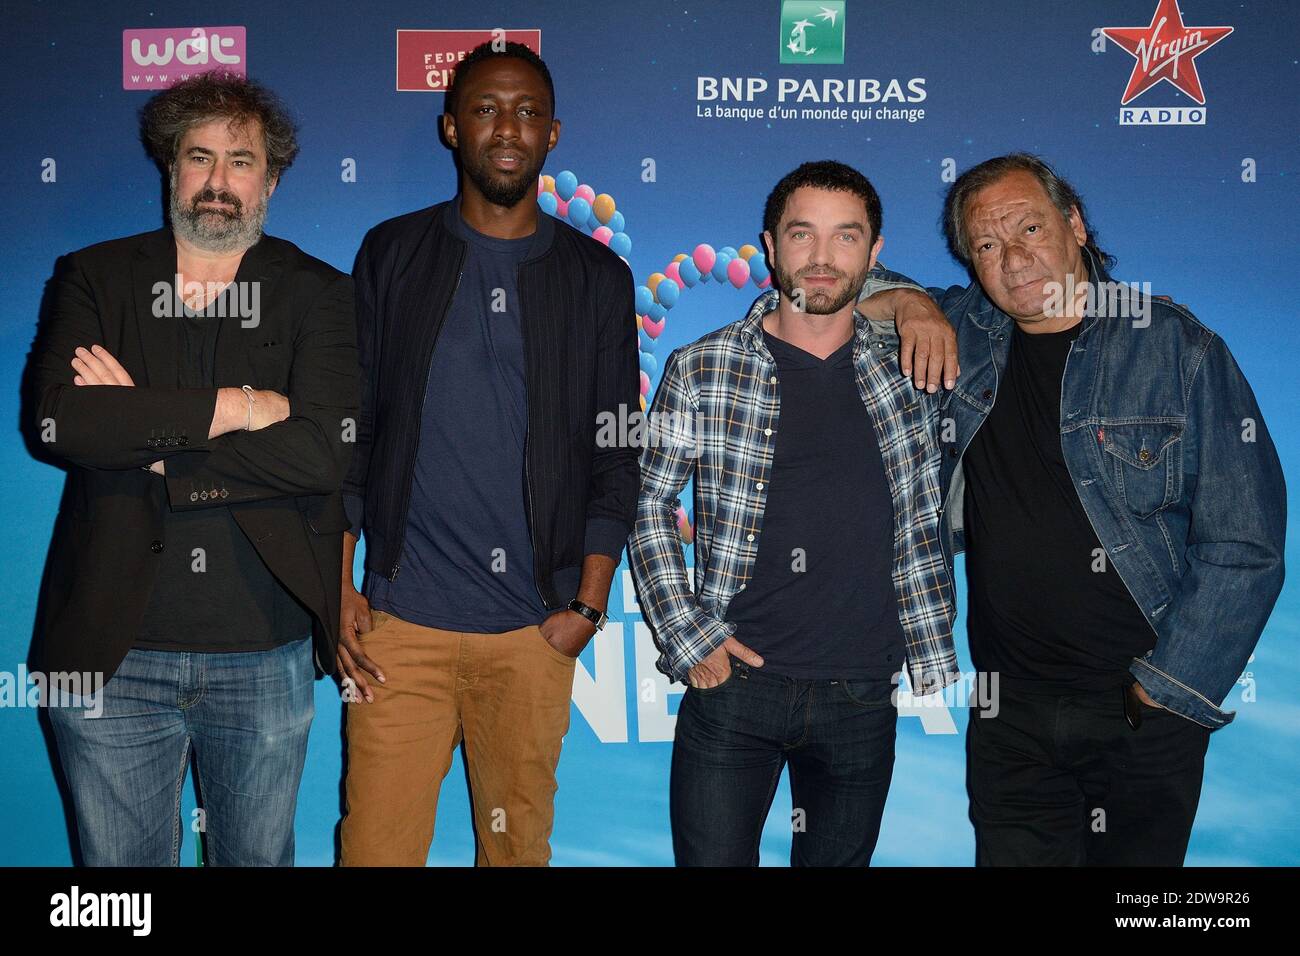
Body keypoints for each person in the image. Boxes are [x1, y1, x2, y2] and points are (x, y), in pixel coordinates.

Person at [859, 153, 1286, 865]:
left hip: (1138, 707)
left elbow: (1246, 541)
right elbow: (825, 296)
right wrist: (908, 304)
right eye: (987, 246)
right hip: (1010, 716)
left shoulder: (1176, 347)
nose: (1013, 258)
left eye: (1029, 228)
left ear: (1075, 224)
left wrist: (1166, 696)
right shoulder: (963, 329)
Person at [30, 72, 359, 866]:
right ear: (170, 170)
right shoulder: (95, 277)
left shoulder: (320, 295)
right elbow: (60, 423)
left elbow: (325, 451)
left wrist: (152, 438)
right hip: (107, 655)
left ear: (271, 180)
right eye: (199, 158)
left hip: (265, 649)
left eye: (240, 162)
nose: (218, 183)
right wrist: (243, 404)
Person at [337, 41, 641, 867]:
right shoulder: (391, 254)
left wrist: (584, 606)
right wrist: (340, 584)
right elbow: (351, 426)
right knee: (375, 852)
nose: (508, 127)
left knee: (515, 855)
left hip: (531, 636)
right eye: (485, 108)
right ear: (450, 127)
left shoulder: (597, 279)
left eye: (528, 111)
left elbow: (618, 450)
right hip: (397, 632)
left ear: (553, 134)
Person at [629, 160, 960, 866]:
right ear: (771, 247)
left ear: (875, 256)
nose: (821, 257)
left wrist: (915, 304)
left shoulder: (913, 369)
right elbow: (648, 501)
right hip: (734, 690)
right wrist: (689, 636)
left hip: (862, 695)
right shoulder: (703, 366)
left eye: (846, 238)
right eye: (801, 235)